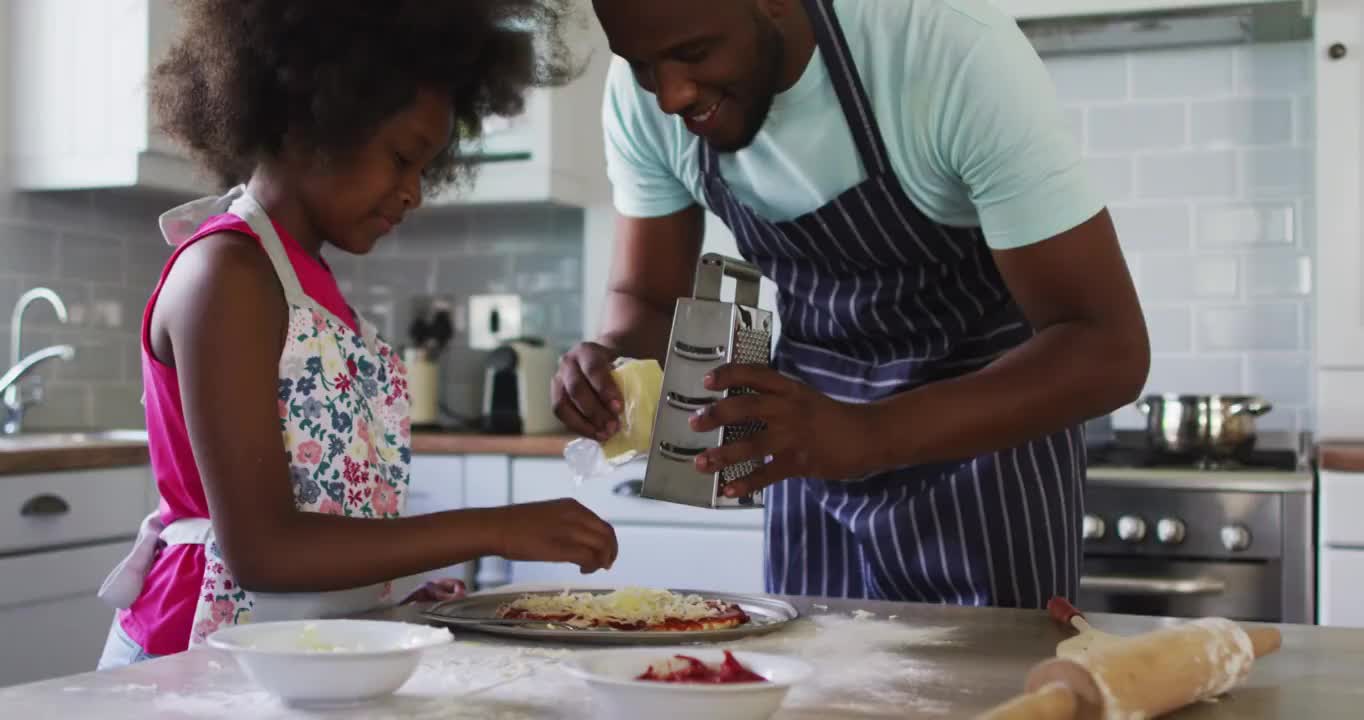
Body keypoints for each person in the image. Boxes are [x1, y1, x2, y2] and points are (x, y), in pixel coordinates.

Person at [553, 0, 1149, 608]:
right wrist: (611, 361)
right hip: (807, 455)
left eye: (696, 54)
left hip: (985, 449)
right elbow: (646, 301)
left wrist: (867, 433)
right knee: (820, 689)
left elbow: (1107, 347)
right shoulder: (645, 101)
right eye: (642, 66)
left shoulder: (947, 49)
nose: (672, 95)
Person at [96, 0, 617, 669]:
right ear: (310, 117)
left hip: (298, 649)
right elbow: (264, 550)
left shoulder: (302, 281)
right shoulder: (227, 275)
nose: (414, 192)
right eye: (401, 158)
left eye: (424, 168)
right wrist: (499, 528)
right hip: (196, 653)